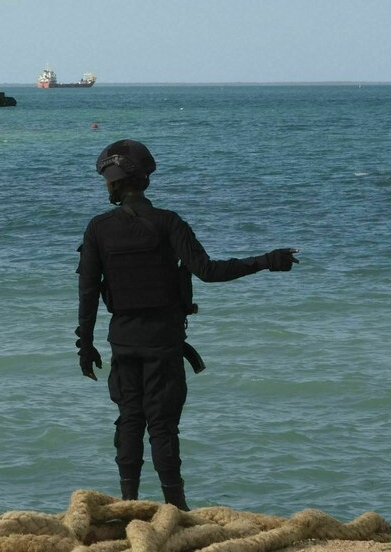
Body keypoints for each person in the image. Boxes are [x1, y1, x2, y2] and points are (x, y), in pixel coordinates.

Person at [75, 139, 298, 510]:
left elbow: (87, 293)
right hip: (163, 342)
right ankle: (176, 509)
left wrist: (86, 345)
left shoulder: (98, 228)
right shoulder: (168, 223)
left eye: (108, 181)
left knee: (129, 420)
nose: (106, 186)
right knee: (162, 425)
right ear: (144, 180)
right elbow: (208, 271)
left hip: (123, 342)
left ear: (118, 183)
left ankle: (128, 504)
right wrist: (266, 261)